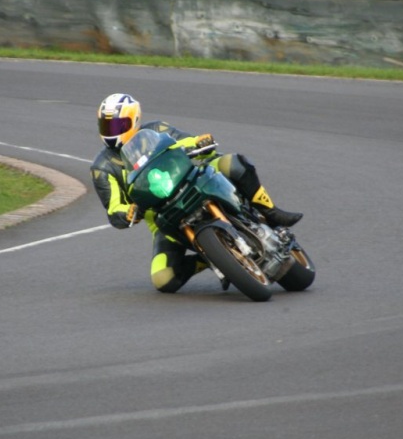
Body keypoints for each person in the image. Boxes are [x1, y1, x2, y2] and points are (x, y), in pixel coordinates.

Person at [90, 93, 302, 294]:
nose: (112, 130)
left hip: (193, 178)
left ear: (134, 119)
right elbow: (114, 207)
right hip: (161, 217)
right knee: (163, 279)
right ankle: (212, 258)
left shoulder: (156, 129)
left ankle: (270, 210)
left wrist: (199, 142)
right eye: (106, 125)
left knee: (232, 163)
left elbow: (183, 141)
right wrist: (128, 213)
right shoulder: (102, 167)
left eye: (118, 124)